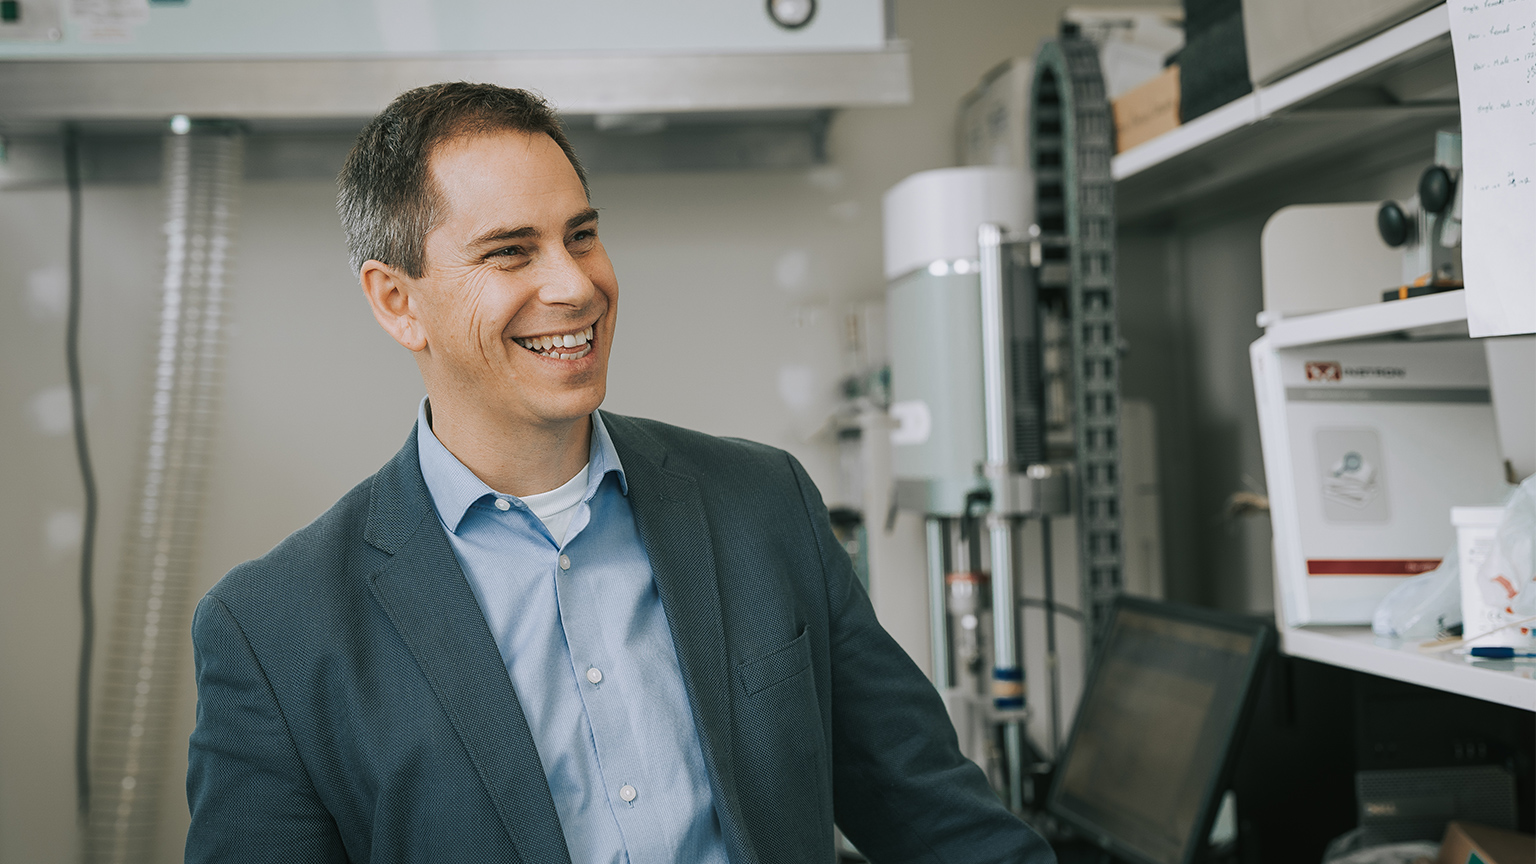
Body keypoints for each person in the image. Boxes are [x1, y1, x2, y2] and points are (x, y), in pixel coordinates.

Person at [185, 81, 1055, 864]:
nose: (575, 285)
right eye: (510, 252)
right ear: (396, 301)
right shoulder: (274, 632)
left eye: (582, 235)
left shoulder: (764, 506)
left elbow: (939, 819)